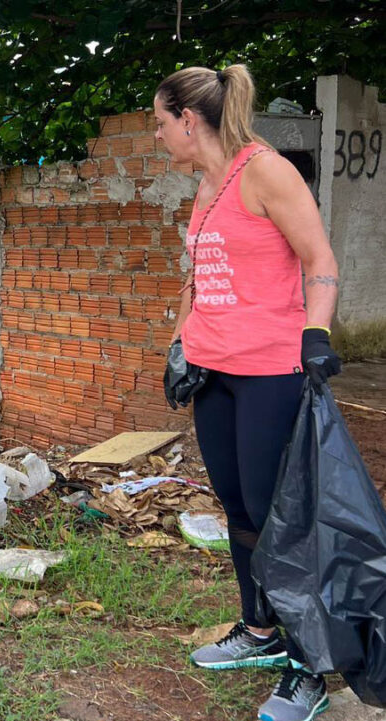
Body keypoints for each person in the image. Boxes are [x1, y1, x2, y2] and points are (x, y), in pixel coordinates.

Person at [155, 65, 342, 721]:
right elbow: (201, 279)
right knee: (237, 506)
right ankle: (258, 629)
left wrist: (315, 334)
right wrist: (181, 343)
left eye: (159, 121)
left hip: (270, 372)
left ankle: (309, 667)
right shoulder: (206, 187)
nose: (156, 134)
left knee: (279, 518)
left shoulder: (266, 172)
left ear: (189, 119)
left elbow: (319, 260)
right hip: (216, 373)